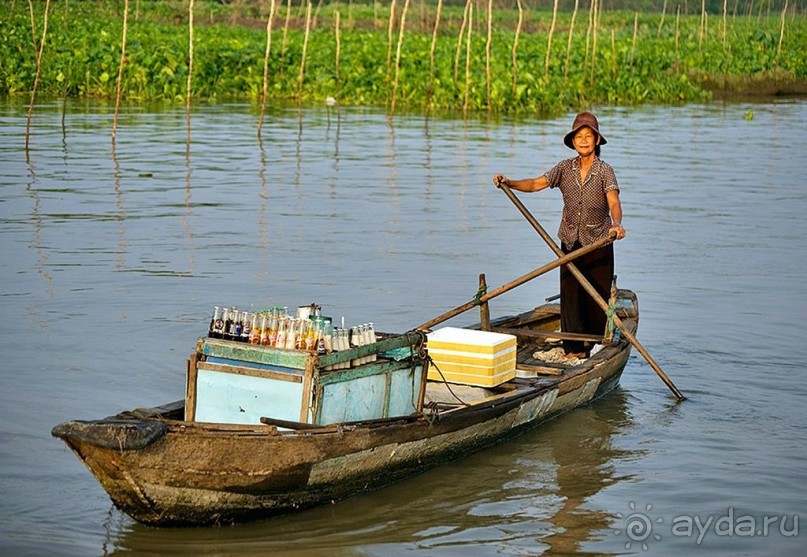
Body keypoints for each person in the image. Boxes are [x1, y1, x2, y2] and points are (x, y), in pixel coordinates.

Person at [493, 111, 626, 359]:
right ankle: (573, 348)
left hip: (598, 242)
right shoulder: (565, 168)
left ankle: (594, 346)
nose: (584, 140)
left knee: (596, 296)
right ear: (573, 142)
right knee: (571, 294)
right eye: (579, 137)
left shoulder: (605, 171)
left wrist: (616, 224)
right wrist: (509, 182)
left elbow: (614, 202)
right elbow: (535, 184)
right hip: (569, 241)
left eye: (589, 136)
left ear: (597, 140)